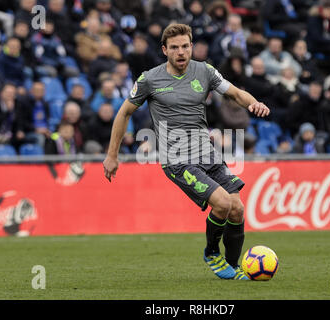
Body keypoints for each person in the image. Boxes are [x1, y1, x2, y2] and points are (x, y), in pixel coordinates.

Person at [102, 24, 270, 280]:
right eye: (174, 48)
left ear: (191, 46)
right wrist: (112, 155)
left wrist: (253, 103)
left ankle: (235, 268)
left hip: (207, 153)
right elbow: (124, 112)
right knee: (223, 203)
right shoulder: (150, 79)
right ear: (164, 50)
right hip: (177, 160)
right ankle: (212, 253)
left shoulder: (205, 71)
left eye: (185, 46)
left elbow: (235, 93)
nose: (180, 52)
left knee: (236, 208)